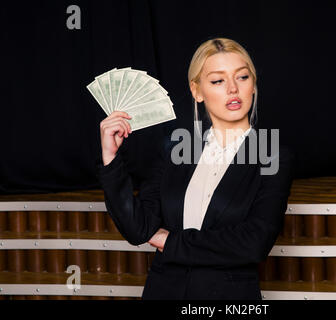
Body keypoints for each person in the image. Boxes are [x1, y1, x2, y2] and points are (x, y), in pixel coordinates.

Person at [97, 38, 295, 300]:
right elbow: (140, 228)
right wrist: (111, 157)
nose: (233, 89)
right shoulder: (177, 147)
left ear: (253, 85)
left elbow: (253, 243)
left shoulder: (272, 154)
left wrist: (170, 242)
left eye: (242, 77)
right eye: (218, 81)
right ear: (197, 91)